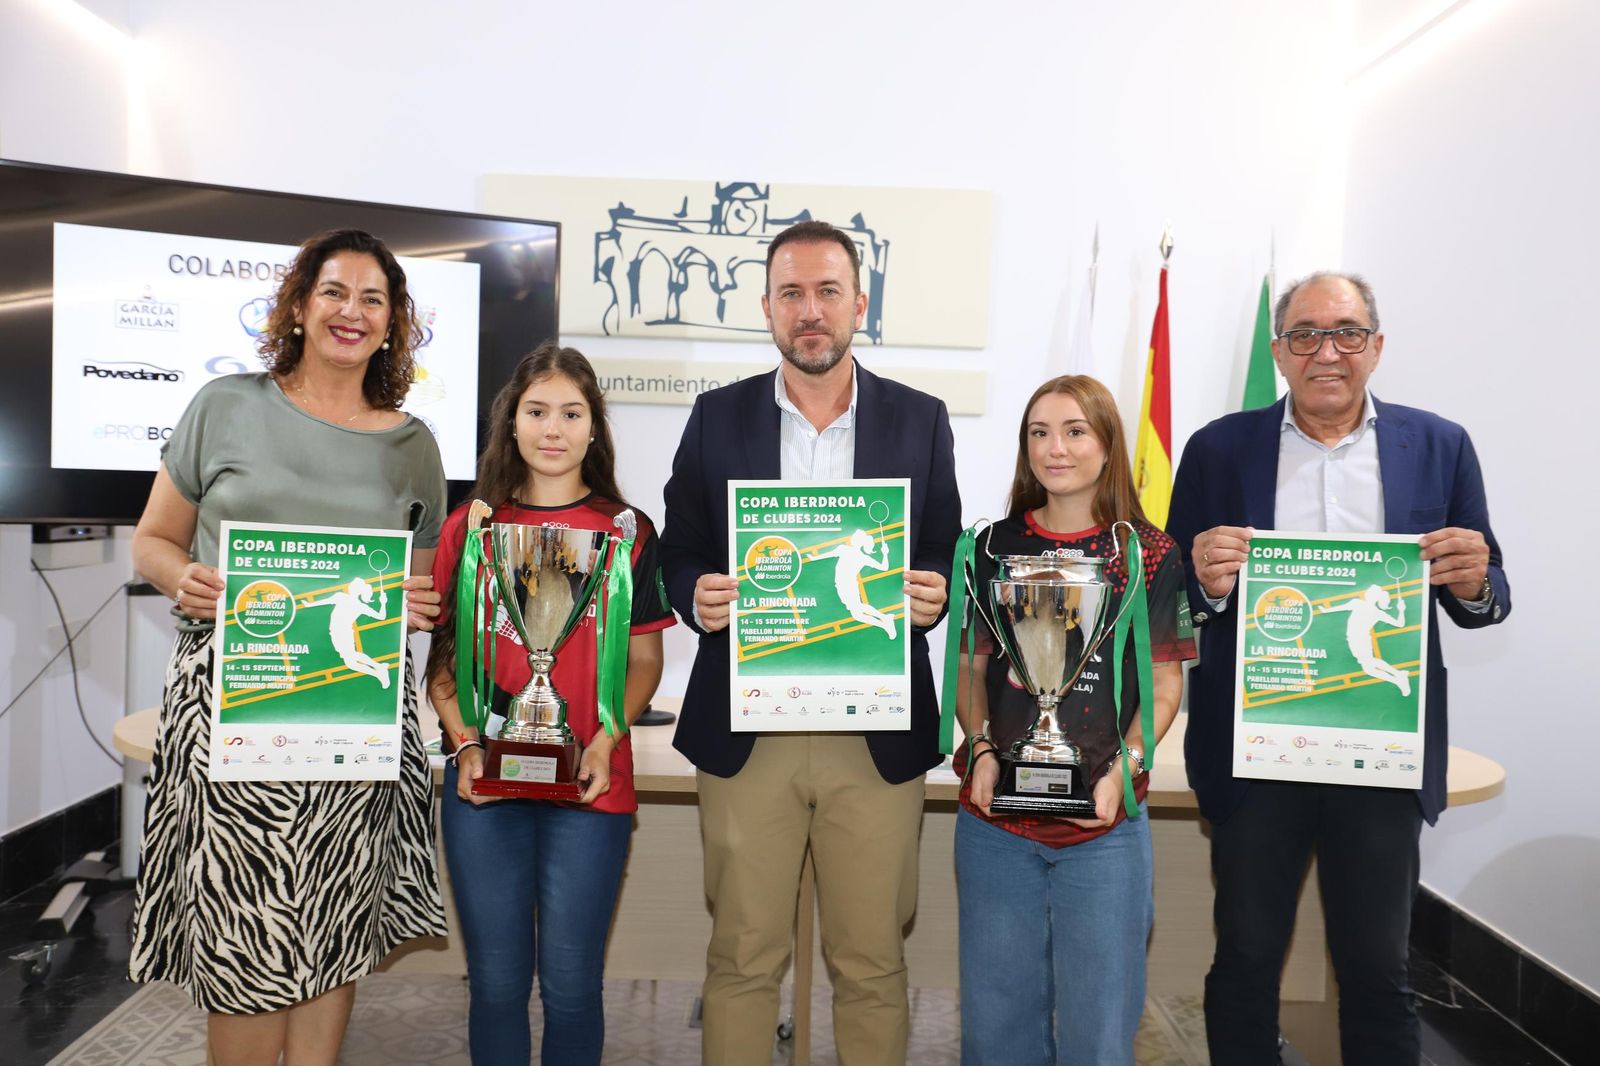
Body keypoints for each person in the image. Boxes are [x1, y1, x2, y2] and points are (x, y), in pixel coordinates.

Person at [1167, 271, 1511, 1065]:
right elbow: (1169, 601)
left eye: (1347, 333)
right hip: (1256, 754)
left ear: (1376, 347)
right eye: (1305, 335)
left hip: (1381, 756)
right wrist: (1204, 581)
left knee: (1379, 969)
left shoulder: (1439, 445)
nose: (1328, 352)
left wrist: (1475, 578)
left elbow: (1487, 593)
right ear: (1279, 353)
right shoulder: (1219, 447)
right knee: (1247, 959)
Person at [128, 228, 449, 1065]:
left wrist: (418, 604)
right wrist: (181, 579)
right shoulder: (225, 405)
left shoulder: (413, 445)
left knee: (331, 920)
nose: (353, 311)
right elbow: (155, 540)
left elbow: (419, 588)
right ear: (301, 306)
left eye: (373, 299)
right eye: (336, 292)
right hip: (237, 705)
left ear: (391, 323)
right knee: (247, 930)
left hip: (352, 713)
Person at [661, 219, 961, 1065]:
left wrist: (932, 589)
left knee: (869, 963)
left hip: (875, 731)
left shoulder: (921, 420)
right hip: (749, 728)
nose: (811, 310)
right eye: (791, 292)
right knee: (743, 960)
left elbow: (940, 540)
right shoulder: (717, 420)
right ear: (766, 308)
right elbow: (676, 548)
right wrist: (696, 594)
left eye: (828, 291)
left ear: (860, 304)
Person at [425, 342, 673, 1066]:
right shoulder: (470, 528)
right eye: (537, 411)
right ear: (512, 422)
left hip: (592, 786)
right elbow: (441, 660)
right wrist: (466, 743)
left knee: (571, 988)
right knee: (497, 986)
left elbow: (647, 659)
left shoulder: (628, 533)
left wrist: (604, 739)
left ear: (594, 428)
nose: (553, 428)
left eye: (572, 412)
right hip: (482, 783)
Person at [952, 375, 1193, 1066]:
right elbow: (971, 673)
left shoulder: (1148, 554)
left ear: (1107, 443)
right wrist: (984, 750)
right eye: (1038, 432)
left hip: (1106, 832)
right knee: (996, 1033)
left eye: (1074, 430)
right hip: (997, 826)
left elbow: (1165, 682)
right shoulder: (987, 548)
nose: (1054, 448)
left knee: (1099, 1035)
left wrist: (1130, 762)